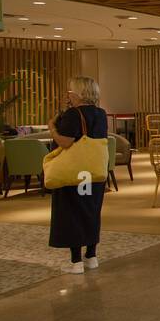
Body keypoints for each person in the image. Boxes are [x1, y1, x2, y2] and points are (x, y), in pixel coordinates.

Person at [48, 76, 107, 274]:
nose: (68, 95)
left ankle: (76, 261)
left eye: (70, 92)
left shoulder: (73, 114)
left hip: (75, 171)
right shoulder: (101, 114)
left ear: (78, 94)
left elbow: (65, 142)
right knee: (91, 209)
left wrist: (52, 129)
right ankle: (91, 255)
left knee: (72, 211)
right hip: (94, 170)